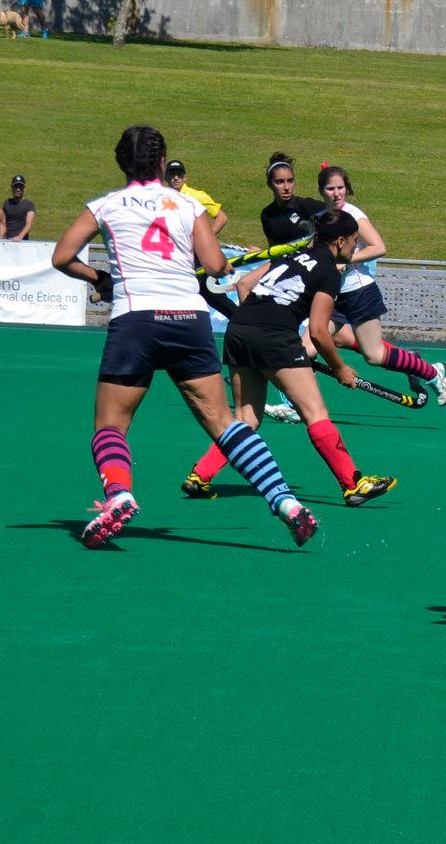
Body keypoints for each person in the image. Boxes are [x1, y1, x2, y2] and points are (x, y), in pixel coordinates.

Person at [49, 125, 317, 548]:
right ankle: (285, 501)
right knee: (223, 423)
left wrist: (100, 276)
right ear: (161, 162)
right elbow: (213, 265)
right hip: (188, 319)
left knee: (110, 424)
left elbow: (62, 256)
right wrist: (226, 269)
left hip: (136, 319)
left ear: (121, 162)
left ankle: (118, 494)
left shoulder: (105, 205)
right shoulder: (188, 205)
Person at [180, 209, 397, 507]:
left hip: (240, 330)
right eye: (354, 242)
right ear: (341, 241)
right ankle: (353, 483)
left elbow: (246, 286)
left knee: (246, 418)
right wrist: (340, 367)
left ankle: (200, 475)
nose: (354, 248)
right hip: (275, 338)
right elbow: (320, 332)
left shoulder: (291, 257)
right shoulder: (328, 272)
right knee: (315, 412)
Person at [315, 164, 446, 403]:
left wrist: (345, 260)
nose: (336, 193)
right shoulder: (319, 217)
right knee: (309, 346)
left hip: (359, 292)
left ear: (346, 189)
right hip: (333, 293)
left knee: (374, 355)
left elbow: (379, 247)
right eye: (330, 188)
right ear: (321, 191)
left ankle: (431, 371)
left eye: (340, 188)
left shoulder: (354, 216)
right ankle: (297, 405)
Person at [259, 153, 324, 245]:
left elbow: (339, 215)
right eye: (280, 182)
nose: (286, 187)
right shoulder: (267, 215)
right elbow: (273, 249)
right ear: (269, 184)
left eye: (290, 181)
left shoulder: (307, 206)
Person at [163, 158, 228, 235]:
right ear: (166, 177)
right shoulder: (161, 196)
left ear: (185, 178)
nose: (176, 178)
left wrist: (207, 238)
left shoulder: (197, 196)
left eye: (179, 174)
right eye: (172, 174)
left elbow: (221, 218)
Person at [2, 176, 36, 241]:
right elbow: (3, 224)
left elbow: (29, 224)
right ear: (11, 187)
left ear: (24, 188)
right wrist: (0, 240)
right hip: (8, 241)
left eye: (20, 187)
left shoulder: (29, 204)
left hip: (22, 242)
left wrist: (19, 237)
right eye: (16, 187)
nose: (18, 189)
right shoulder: (7, 203)